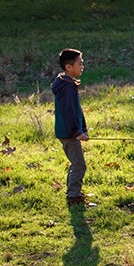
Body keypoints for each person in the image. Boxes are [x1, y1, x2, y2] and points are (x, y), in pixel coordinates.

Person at [51, 48, 91, 206]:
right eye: (80, 63)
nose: (83, 66)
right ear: (68, 67)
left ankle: (73, 193)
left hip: (70, 131)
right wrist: (76, 132)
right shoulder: (67, 88)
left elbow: (77, 110)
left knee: (76, 163)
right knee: (79, 164)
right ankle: (73, 197)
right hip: (69, 133)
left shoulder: (67, 83)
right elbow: (69, 112)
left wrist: (83, 129)